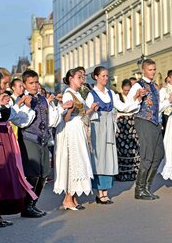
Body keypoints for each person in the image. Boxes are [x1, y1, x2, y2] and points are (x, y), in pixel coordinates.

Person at [0, 68, 37, 227]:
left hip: (6, 135)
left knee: (6, 175)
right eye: (4, 82)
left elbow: (17, 118)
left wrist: (27, 108)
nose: (6, 86)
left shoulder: (6, 98)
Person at [18, 69, 73, 218]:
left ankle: (33, 204)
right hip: (29, 138)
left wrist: (62, 107)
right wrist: (26, 106)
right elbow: (21, 121)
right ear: (24, 84)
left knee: (44, 174)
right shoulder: (23, 100)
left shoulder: (42, 99)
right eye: (31, 83)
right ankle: (26, 206)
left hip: (43, 139)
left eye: (36, 82)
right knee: (33, 174)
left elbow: (52, 121)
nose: (35, 85)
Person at [86, 66, 140, 204]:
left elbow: (122, 107)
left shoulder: (111, 93)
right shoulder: (92, 94)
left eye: (106, 76)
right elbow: (87, 112)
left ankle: (105, 191)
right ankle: (99, 192)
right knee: (99, 158)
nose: (105, 78)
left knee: (109, 157)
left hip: (109, 126)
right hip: (97, 126)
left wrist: (137, 100)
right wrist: (93, 109)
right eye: (102, 76)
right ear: (96, 77)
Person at [128, 59, 172, 200]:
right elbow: (129, 105)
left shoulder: (155, 87)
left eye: (154, 69)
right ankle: (139, 190)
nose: (153, 72)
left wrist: (170, 100)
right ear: (143, 70)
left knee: (159, 154)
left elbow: (158, 108)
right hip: (143, 121)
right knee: (147, 156)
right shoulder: (137, 85)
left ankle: (146, 188)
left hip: (155, 121)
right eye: (150, 69)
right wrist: (138, 96)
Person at [53, 68, 96, 210]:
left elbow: (81, 114)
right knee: (73, 162)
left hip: (78, 128)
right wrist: (70, 109)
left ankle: (73, 196)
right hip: (71, 130)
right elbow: (65, 118)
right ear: (71, 78)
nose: (82, 80)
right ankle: (67, 198)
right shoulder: (67, 93)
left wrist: (91, 110)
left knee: (80, 162)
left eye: (83, 77)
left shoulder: (77, 94)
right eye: (79, 77)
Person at [116, 79, 140, 181]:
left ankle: (133, 173)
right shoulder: (118, 97)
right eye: (125, 90)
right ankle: (122, 174)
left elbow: (135, 107)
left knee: (133, 148)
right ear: (122, 89)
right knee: (122, 149)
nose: (126, 92)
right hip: (122, 122)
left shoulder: (133, 96)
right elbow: (123, 107)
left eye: (128, 90)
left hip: (132, 122)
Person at [159, 70, 172, 136]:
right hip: (167, 115)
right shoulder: (163, 90)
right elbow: (161, 103)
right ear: (168, 78)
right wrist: (169, 100)